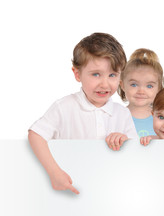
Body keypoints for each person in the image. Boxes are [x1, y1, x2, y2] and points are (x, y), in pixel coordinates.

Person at [28, 33, 138, 194]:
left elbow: (136, 154)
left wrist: (125, 140)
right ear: (77, 74)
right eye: (96, 74)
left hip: (110, 189)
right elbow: (36, 134)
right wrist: (54, 172)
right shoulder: (64, 107)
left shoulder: (123, 114)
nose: (105, 83)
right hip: (72, 188)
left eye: (112, 75)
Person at [118, 48, 164, 137]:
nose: (141, 91)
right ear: (122, 85)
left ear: (158, 88)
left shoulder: (163, 120)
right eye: (134, 85)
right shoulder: (116, 116)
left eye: (149, 86)